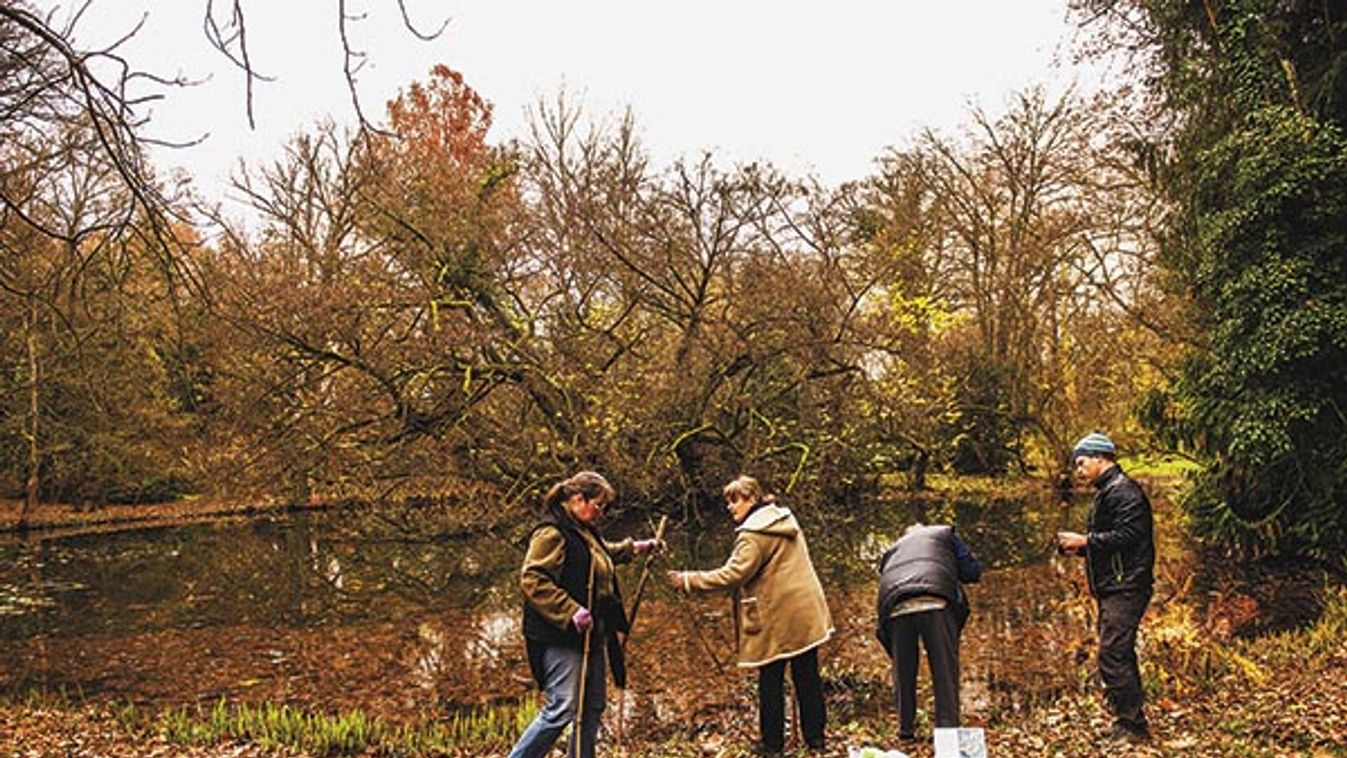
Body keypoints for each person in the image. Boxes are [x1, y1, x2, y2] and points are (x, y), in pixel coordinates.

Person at [666, 475, 834, 756]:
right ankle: (816, 741)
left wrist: (688, 580)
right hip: (806, 608)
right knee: (807, 676)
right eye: (728, 502)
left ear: (753, 499)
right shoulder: (784, 520)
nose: (731, 507)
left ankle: (772, 746)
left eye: (736, 500)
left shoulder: (753, 535)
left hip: (779, 614)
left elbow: (733, 575)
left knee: (770, 679)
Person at [508, 471, 664, 758]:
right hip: (562, 635)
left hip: (594, 633)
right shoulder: (552, 532)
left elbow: (600, 555)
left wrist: (638, 547)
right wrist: (570, 610)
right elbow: (533, 579)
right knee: (563, 706)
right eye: (599, 504)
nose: (601, 512)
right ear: (578, 499)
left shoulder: (583, 529)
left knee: (592, 706)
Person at [1055, 431, 1155, 746]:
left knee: (1112, 655)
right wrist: (1081, 549)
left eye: (1082, 463)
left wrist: (1086, 541)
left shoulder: (1124, 491)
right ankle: (1128, 720)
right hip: (1116, 585)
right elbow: (1115, 543)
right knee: (1118, 653)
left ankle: (1133, 727)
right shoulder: (1108, 491)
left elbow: (1130, 535)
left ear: (1101, 458)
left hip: (1127, 587)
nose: (1079, 471)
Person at [875, 522, 982, 742]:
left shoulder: (893, 549)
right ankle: (947, 733)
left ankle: (906, 732)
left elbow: (885, 576)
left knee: (903, 670)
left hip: (894, 604)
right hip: (934, 599)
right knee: (944, 669)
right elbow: (971, 571)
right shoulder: (944, 534)